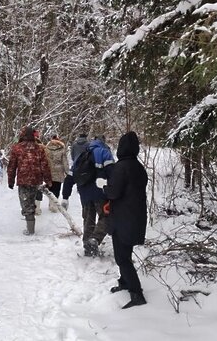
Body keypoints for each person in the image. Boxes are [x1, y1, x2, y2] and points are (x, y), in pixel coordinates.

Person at [104, 131, 148, 308]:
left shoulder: (121, 167)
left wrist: (104, 188)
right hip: (135, 217)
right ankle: (124, 282)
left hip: (123, 218)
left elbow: (114, 192)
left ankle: (137, 294)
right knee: (125, 253)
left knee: (122, 258)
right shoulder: (138, 167)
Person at [7, 126, 53, 235]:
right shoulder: (40, 148)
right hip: (36, 180)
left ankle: (30, 229)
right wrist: (48, 180)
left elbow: (12, 166)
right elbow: (45, 165)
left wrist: (11, 180)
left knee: (25, 203)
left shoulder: (16, 148)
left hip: (23, 181)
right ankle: (31, 226)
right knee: (32, 201)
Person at [73, 135, 115, 257]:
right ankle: (95, 239)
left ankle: (88, 248)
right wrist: (114, 190)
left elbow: (72, 174)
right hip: (100, 192)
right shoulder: (104, 152)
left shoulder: (82, 154)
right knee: (106, 216)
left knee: (88, 220)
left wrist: (65, 195)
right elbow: (112, 172)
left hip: (85, 194)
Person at [44, 134, 70, 212]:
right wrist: (67, 172)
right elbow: (64, 161)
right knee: (57, 188)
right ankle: (54, 205)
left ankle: (51, 203)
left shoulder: (46, 149)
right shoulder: (62, 149)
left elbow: (44, 160)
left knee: (50, 187)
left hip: (49, 171)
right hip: (59, 171)